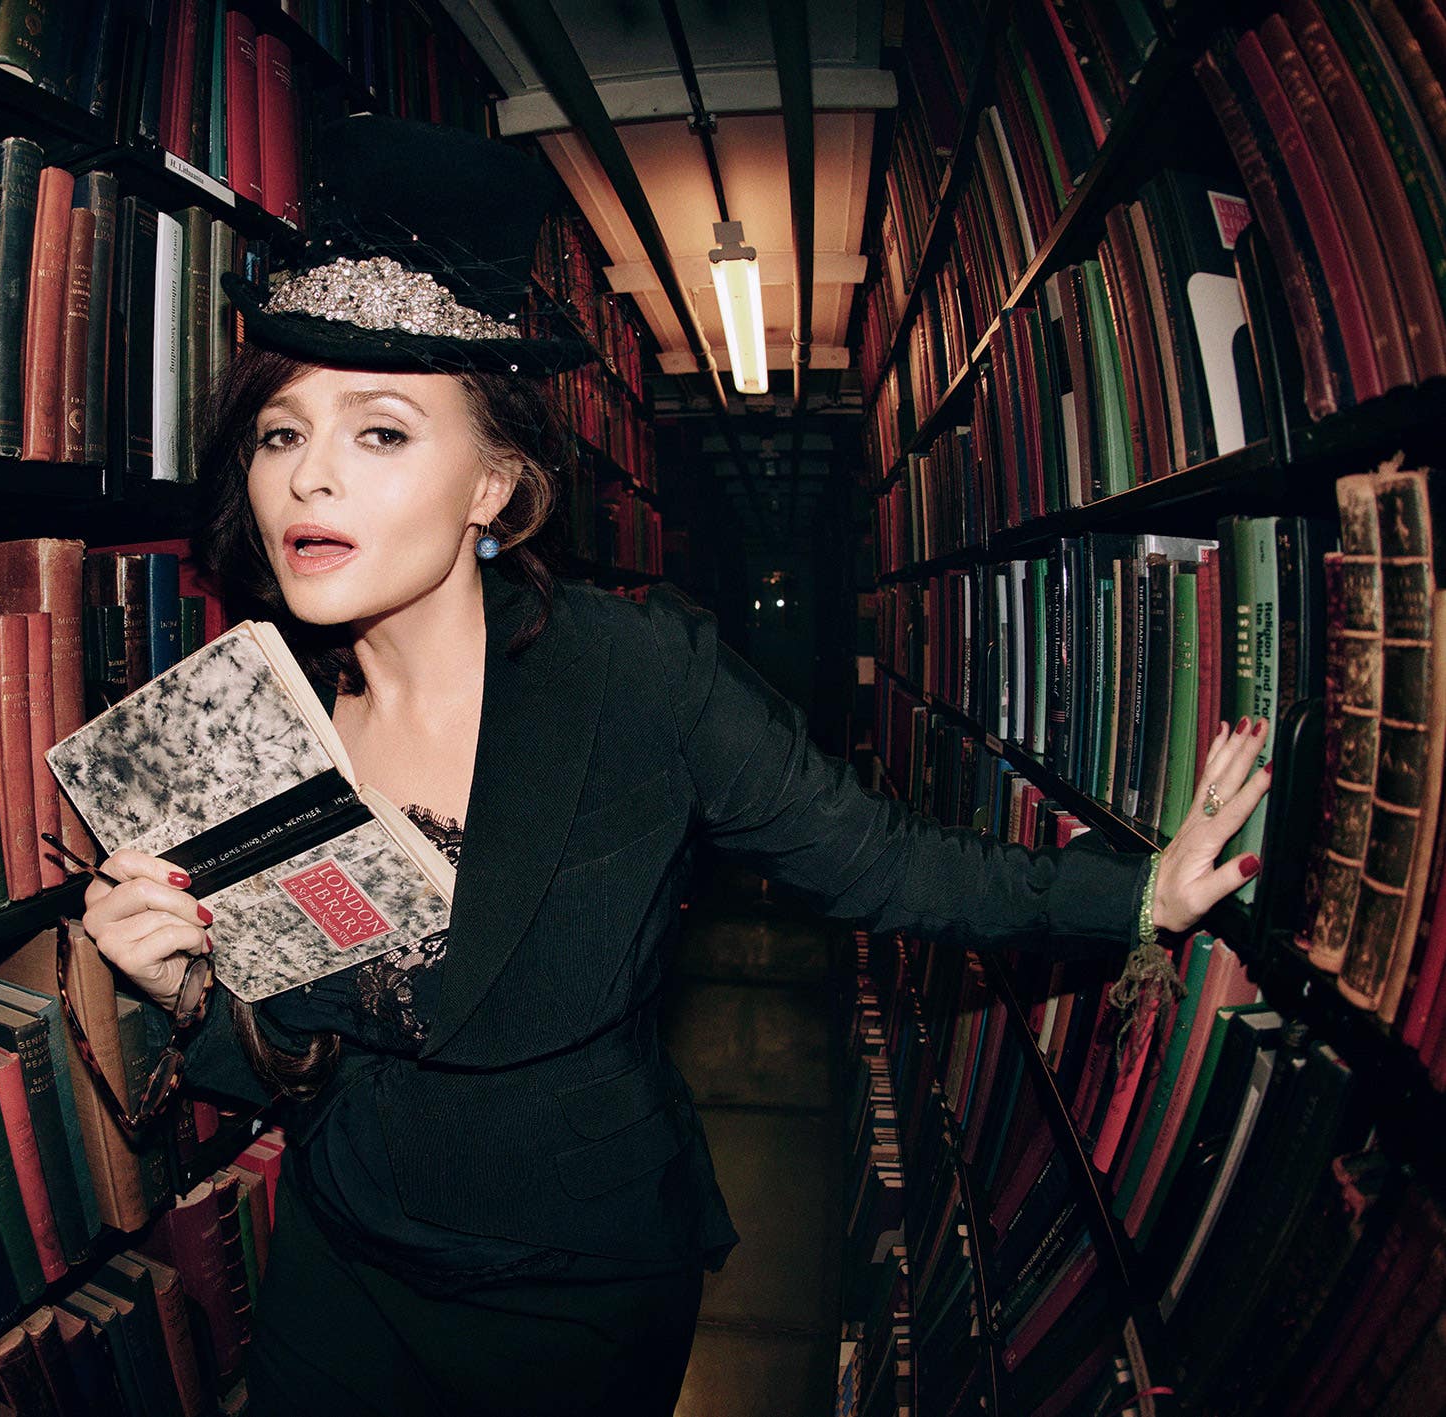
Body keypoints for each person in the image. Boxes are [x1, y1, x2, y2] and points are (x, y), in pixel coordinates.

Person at [72, 114, 1267, 1415]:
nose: (306, 480)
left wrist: (1137, 895)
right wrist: (185, 989)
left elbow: (881, 862)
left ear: (494, 485)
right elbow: (296, 1049)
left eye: (379, 433)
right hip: (338, 1260)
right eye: (278, 433)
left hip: (569, 1291)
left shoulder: (634, 675)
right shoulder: (251, 717)